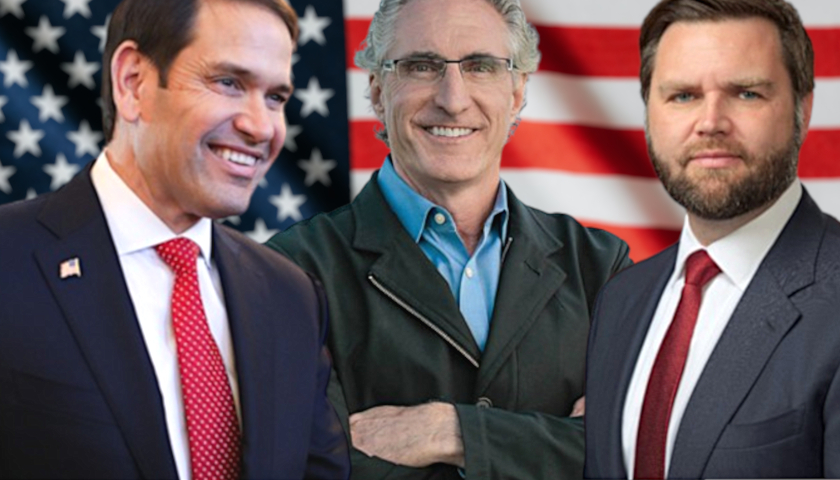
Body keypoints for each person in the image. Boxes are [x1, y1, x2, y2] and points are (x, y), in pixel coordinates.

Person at [266, 0, 631, 478]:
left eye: (481, 67)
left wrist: (452, 430)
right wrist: (553, 443)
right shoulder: (291, 272)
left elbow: (638, 452)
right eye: (421, 66)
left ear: (517, 92)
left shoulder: (599, 267)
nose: (453, 98)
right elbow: (319, 469)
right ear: (377, 90)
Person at [0, 0, 350, 478]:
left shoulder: (291, 297)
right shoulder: (9, 261)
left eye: (276, 98)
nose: (261, 126)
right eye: (229, 83)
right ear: (133, 82)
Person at [584, 0, 840, 478]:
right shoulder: (621, 300)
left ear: (803, 109)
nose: (711, 122)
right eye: (682, 95)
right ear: (648, 114)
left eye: (746, 93)